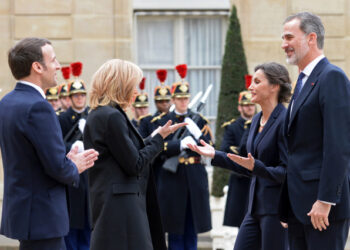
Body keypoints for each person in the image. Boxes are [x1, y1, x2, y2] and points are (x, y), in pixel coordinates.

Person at [0, 37, 99, 250]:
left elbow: (29, 159)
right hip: (43, 217)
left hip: (23, 213)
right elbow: (57, 168)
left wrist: (66, 162)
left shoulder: (6, 103)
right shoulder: (39, 107)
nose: (58, 66)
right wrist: (75, 165)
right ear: (37, 67)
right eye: (53, 60)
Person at [83, 59, 185, 250]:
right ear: (121, 86)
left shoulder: (100, 113)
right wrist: (159, 141)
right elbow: (135, 163)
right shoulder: (112, 116)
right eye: (133, 85)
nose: (136, 91)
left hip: (113, 201)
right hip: (122, 207)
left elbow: (125, 152)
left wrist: (156, 136)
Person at [188, 62, 291, 250]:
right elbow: (245, 164)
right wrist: (215, 155)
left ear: (275, 86)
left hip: (276, 210)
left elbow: (287, 172)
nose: (250, 86)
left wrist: (257, 167)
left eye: (257, 82)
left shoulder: (285, 121)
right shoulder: (255, 121)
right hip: (253, 208)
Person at [280, 12, 350, 250]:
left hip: (322, 208)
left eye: (289, 37)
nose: (283, 45)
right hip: (299, 207)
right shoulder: (302, 81)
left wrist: (326, 199)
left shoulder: (332, 77)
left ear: (311, 38)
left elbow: (338, 145)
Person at [158, 64, 213, 250]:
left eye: (186, 98)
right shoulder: (162, 121)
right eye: (179, 98)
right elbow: (157, 148)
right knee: (175, 229)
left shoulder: (199, 120)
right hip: (173, 177)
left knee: (192, 228)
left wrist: (198, 135)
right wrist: (177, 145)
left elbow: (210, 148)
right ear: (173, 99)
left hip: (194, 176)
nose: (183, 102)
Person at [58, 62, 91, 250]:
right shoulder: (61, 119)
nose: (79, 98)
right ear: (70, 98)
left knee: (88, 232)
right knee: (71, 233)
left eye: (82, 95)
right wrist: (73, 145)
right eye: (76, 95)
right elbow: (56, 147)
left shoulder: (93, 117)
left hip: (90, 180)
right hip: (71, 180)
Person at [220, 90, 255, 228]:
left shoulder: (262, 123)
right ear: (239, 107)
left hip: (257, 178)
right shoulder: (233, 126)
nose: (249, 107)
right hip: (240, 178)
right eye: (245, 105)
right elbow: (225, 150)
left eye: (251, 104)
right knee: (242, 224)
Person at [139, 69, 172, 138]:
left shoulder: (177, 118)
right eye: (161, 101)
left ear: (171, 101)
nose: (164, 104)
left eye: (167, 101)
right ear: (156, 103)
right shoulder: (147, 121)